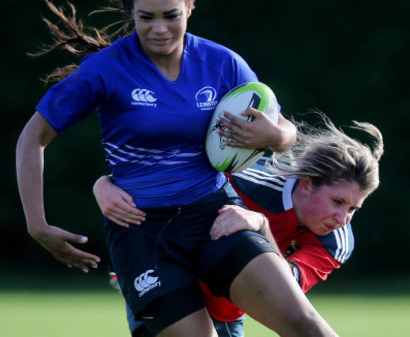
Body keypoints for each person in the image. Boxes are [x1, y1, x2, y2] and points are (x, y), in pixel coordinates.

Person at [16, 0, 337, 337]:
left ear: (190, 7)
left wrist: (275, 135)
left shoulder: (221, 63)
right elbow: (32, 138)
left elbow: (285, 130)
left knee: (306, 325)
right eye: (145, 17)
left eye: (171, 15)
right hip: (143, 232)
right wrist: (37, 225)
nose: (159, 29)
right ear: (130, 12)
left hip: (215, 215)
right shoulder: (106, 69)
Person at [96, 112, 384, 336]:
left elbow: (286, 289)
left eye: (353, 209)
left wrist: (261, 225)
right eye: (338, 202)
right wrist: (104, 184)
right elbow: (163, 172)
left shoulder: (336, 242)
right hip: (165, 285)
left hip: (225, 311)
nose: (343, 218)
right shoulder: (243, 176)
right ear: (306, 185)